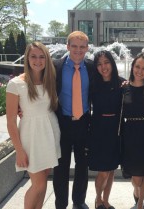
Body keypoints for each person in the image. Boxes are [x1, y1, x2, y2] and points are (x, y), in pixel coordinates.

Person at [6, 42, 61, 209]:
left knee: (43, 181)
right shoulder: (16, 84)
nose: (38, 60)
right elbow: (10, 122)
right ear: (27, 58)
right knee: (38, 184)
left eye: (42, 56)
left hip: (50, 133)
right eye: (33, 56)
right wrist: (19, 150)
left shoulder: (50, 79)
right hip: (31, 137)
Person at [53, 31, 92, 209]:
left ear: (87, 48)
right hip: (62, 123)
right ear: (67, 47)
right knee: (61, 167)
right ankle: (61, 204)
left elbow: (110, 77)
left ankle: (79, 201)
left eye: (82, 47)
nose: (78, 50)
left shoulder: (91, 68)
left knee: (82, 166)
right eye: (74, 46)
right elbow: (35, 78)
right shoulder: (55, 67)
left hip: (84, 123)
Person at [121, 53, 144, 209]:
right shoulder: (124, 88)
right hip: (129, 135)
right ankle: (137, 195)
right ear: (132, 67)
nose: (140, 71)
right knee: (136, 177)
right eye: (137, 66)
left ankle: (140, 205)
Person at [88, 50, 124, 209]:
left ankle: (106, 200)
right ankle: (98, 199)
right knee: (103, 171)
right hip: (98, 131)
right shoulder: (93, 84)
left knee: (111, 170)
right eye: (100, 64)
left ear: (112, 63)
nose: (104, 67)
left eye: (106, 62)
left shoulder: (122, 83)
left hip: (115, 131)